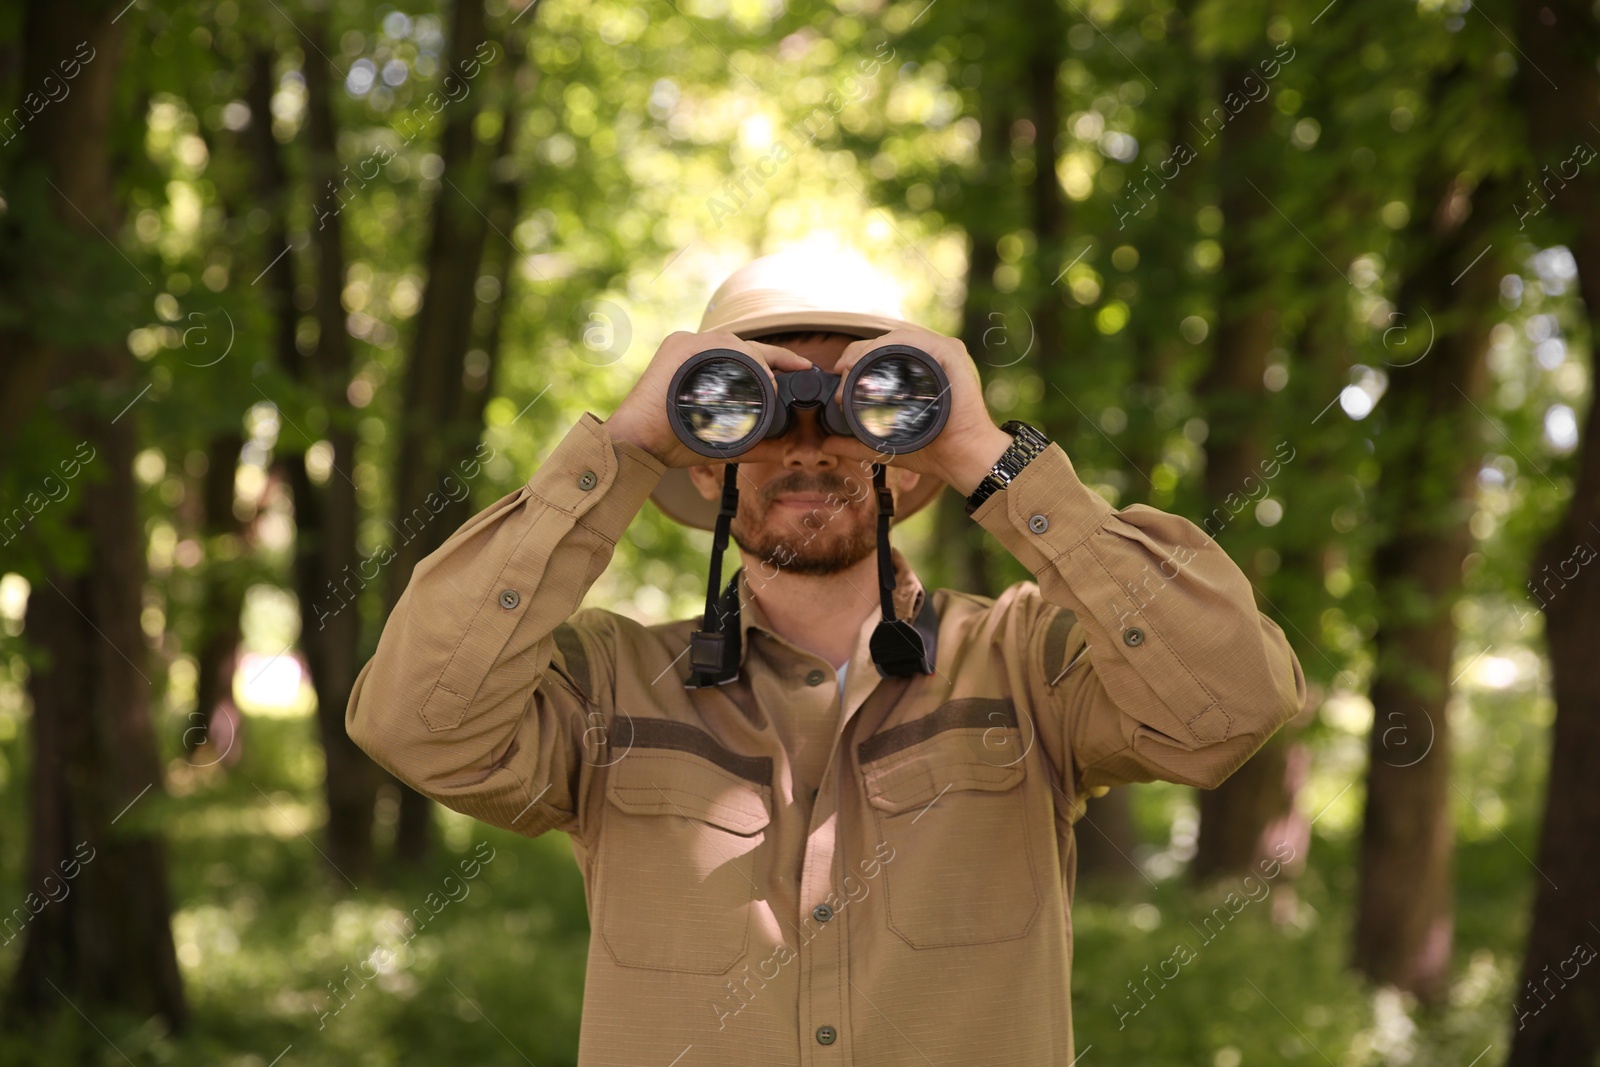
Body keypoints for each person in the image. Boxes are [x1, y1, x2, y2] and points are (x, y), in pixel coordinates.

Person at [346, 248, 1308, 1064]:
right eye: (752, 405)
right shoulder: (610, 683)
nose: (810, 441)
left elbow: (1229, 706)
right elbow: (417, 723)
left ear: (909, 438)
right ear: (708, 450)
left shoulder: (1026, 664)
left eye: (862, 401)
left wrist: (989, 454)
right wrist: (624, 449)